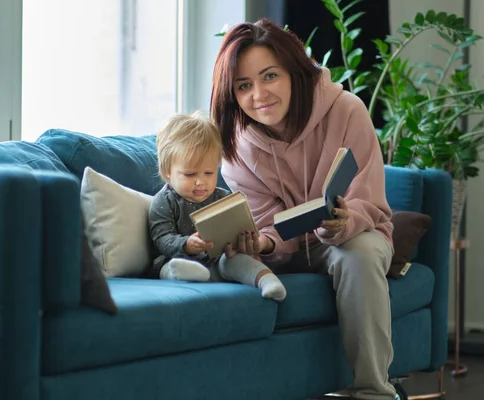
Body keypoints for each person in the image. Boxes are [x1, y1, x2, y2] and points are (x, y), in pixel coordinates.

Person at [210, 18, 397, 400]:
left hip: (356, 234)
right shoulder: (235, 151)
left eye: (269, 76)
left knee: (356, 253)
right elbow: (271, 227)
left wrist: (342, 222)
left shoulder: (347, 111)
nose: (259, 94)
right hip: (291, 253)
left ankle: (375, 393)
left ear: (294, 72)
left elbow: (370, 201)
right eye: (243, 86)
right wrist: (262, 244)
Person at [147, 111, 286, 301]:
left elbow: (237, 230)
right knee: (168, 267)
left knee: (240, 261)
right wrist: (186, 245)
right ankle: (189, 274)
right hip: (177, 259)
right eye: (190, 175)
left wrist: (240, 244)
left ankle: (267, 281)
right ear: (167, 172)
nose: (200, 182)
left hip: (217, 262)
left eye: (208, 173)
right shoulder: (164, 201)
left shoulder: (223, 198)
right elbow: (161, 238)